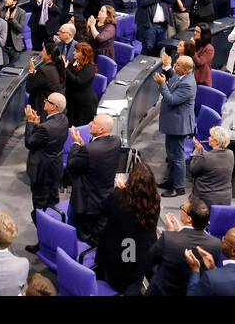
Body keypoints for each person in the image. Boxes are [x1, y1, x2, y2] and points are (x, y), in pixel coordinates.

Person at [95, 161, 161, 295]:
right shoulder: (155, 201)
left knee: (113, 284)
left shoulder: (118, 197)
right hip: (140, 254)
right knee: (133, 283)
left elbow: (103, 209)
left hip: (116, 253)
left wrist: (118, 190)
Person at [147, 197, 223, 297]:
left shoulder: (168, 238)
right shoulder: (216, 243)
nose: (181, 209)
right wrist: (180, 232)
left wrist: (170, 234)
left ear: (189, 219)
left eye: (182, 208)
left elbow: (151, 258)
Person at [22, 91, 69, 244]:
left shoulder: (46, 128)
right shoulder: (63, 119)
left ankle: (45, 240)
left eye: (46, 101)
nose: (44, 103)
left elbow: (29, 143)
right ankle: (55, 229)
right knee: (53, 199)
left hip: (42, 170)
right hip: (54, 168)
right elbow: (46, 138)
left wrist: (29, 122)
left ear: (54, 106)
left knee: (40, 205)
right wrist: (37, 124)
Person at [66, 114, 120, 243]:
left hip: (87, 202)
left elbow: (71, 165)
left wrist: (76, 144)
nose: (90, 123)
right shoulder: (116, 141)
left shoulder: (89, 150)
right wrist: (84, 147)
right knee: (99, 231)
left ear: (101, 130)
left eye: (94, 123)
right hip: (105, 197)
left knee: (84, 236)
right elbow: (95, 157)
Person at [155, 53, 196, 197]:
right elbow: (172, 80)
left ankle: (179, 188)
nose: (175, 66)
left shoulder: (188, 84)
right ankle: (171, 181)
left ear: (185, 70)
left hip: (179, 126)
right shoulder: (182, 77)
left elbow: (171, 99)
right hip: (173, 123)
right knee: (171, 155)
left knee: (178, 158)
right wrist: (166, 67)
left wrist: (161, 85)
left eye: (177, 65)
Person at [184, 227, 235, 297]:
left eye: (224, 239)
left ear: (233, 251)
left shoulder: (210, 277)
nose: (222, 239)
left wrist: (195, 270)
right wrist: (213, 268)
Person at [187, 125, 234, 208]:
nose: (208, 138)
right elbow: (211, 160)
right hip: (224, 200)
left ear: (216, 141)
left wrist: (197, 151)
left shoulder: (206, 157)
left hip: (204, 202)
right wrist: (202, 151)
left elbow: (193, 169)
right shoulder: (230, 154)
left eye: (211, 136)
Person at [63, 41, 99, 126]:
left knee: (80, 125)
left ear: (84, 54)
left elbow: (78, 81)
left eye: (77, 51)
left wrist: (66, 69)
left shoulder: (90, 68)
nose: (74, 52)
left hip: (83, 103)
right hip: (72, 100)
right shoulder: (74, 63)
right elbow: (68, 78)